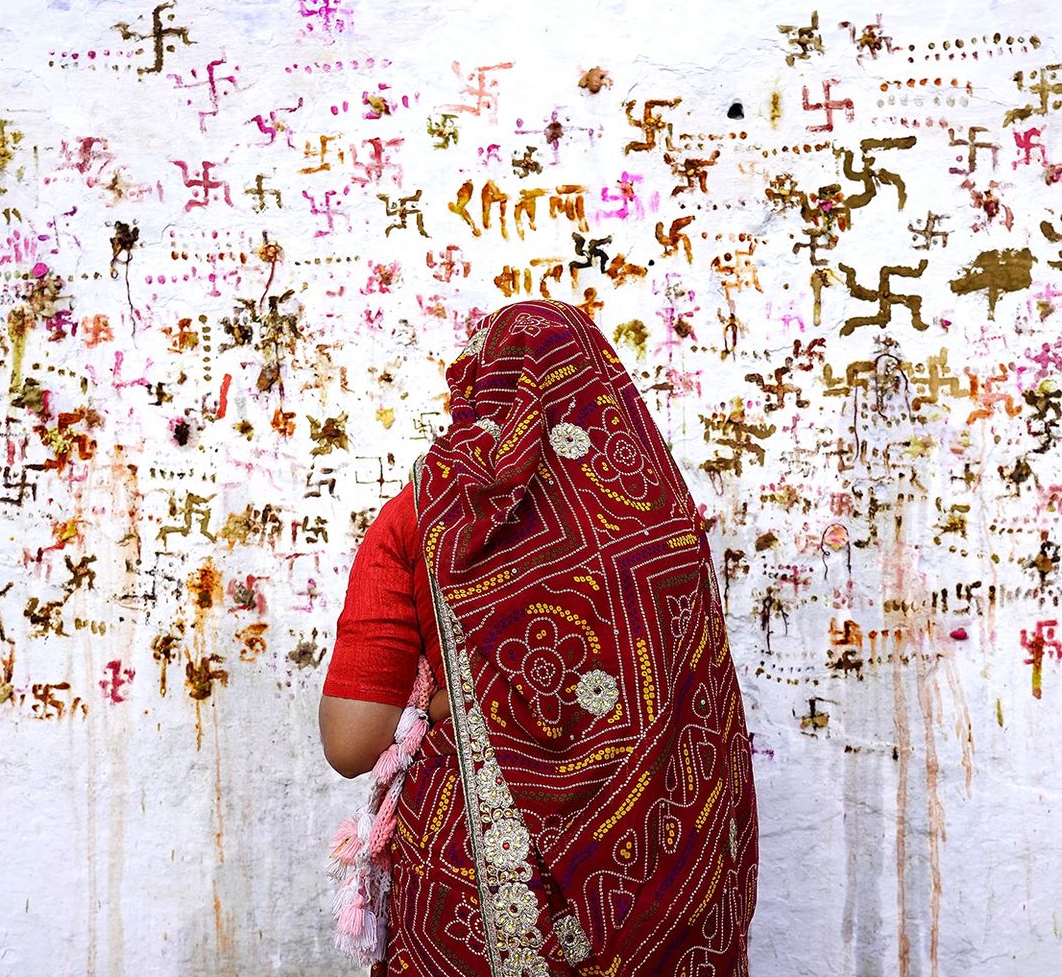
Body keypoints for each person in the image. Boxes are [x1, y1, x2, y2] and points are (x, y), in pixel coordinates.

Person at [320, 298, 759, 977]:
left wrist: (449, 706)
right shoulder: (661, 522)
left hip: (477, 888)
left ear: (478, 389)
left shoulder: (419, 517)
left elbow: (351, 744)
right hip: (656, 875)